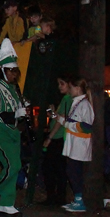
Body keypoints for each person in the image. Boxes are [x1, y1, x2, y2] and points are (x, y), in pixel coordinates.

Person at [0, 39, 28, 216]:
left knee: (15, 167)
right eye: (12, 71)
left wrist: (22, 112)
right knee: (12, 164)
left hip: (13, 131)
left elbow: (14, 109)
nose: (14, 75)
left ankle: (7, 203)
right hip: (0, 130)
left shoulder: (14, 89)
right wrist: (13, 115)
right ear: (2, 70)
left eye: (16, 71)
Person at [52, 77, 93, 213]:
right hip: (73, 144)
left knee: (74, 171)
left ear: (77, 88)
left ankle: (79, 200)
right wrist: (60, 119)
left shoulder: (84, 104)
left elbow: (86, 126)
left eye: (71, 87)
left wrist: (69, 124)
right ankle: (77, 199)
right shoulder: (77, 103)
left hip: (79, 145)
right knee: (72, 171)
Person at [41, 77, 72, 206]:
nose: (60, 86)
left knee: (52, 168)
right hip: (58, 137)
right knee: (55, 168)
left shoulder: (68, 100)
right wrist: (53, 114)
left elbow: (61, 121)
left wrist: (49, 137)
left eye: (62, 83)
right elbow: (59, 118)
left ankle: (56, 197)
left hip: (58, 137)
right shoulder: (66, 99)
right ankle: (55, 197)